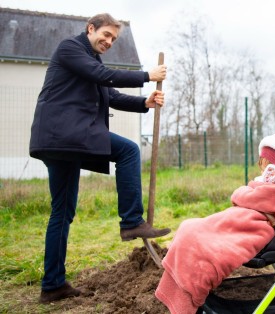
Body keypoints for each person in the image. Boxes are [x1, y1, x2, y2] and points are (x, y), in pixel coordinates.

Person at [29, 13, 171, 304]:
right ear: (90, 29)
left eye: (113, 39)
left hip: (59, 141)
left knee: (62, 212)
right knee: (129, 150)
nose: (108, 41)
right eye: (105, 35)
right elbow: (103, 77)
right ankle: (131, 220)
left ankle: (52, 285)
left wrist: (144, 102)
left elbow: (110, 94)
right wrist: (147, 76)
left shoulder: (91, 62)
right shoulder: (70, 49)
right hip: (65, 135)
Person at [155, 128, 275, 314]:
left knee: (201, 243)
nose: (263, 168)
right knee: (189, 227)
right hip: (238, 215)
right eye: (262, 163)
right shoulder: (266, 179)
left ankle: (189, 296)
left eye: (268, 163)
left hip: (257, 224)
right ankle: (177, 291)